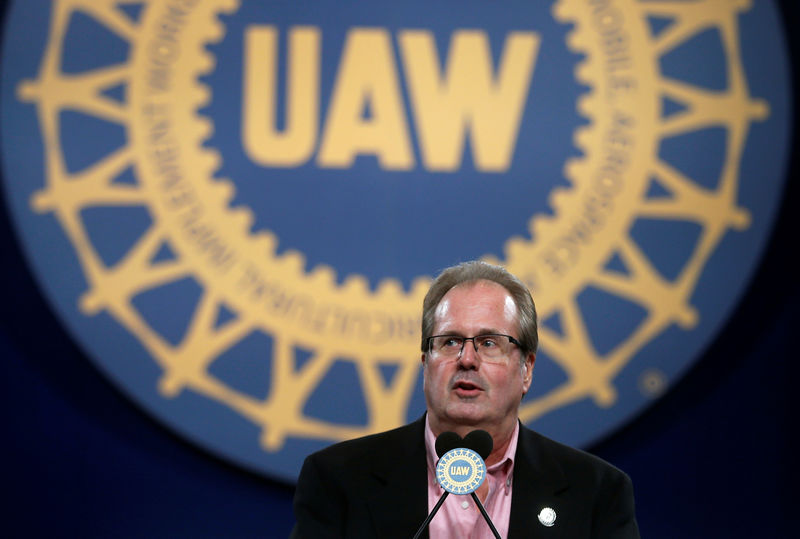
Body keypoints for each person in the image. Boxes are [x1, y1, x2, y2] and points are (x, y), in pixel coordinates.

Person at [292, 261, 639, 538]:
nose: (467, 359)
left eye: (489, 343)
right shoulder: (338, 480)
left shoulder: (595, 492)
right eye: (450, 342)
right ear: (425, 362)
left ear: (527, 369)